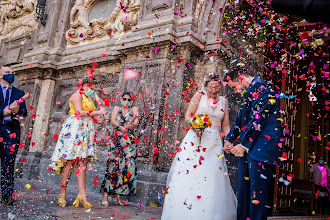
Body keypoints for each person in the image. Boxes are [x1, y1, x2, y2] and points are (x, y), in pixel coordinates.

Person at [161, 73, 237, 220]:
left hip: (214, 144)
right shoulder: (199, 95)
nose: (214, 90)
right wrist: (195, 125)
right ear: (206, 85)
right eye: (211, 87)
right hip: (196, 140)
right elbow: (188, 116)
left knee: (213, 178)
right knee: (190, 176)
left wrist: (228, 140)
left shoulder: (224, 101)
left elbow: (225, 125)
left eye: (217, 87)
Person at [224, 66, 286, 220]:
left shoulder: (262, 86)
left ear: (241, 79)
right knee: (244, 190)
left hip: (261, 148)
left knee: (257, 195)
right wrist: (229, 138)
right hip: (249, 149)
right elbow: (241, 120)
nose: (236, 91)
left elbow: (259, 117)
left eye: (235, 87)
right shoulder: (250, 90)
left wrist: (243, 144)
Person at [49, 77, 106, 208]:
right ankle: (62, 193)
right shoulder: (76, 95)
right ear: (85, 85)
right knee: (70, 161)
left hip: (86, 129)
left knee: (83, 162)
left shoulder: (89, 98)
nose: (93, 90)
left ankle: (82, 195)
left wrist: (98, 119)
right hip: (75, 128)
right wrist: (98, 112)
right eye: (92, 88)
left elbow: (90, 115)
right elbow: (79, 112)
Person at [100, 92, 139, 206]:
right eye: (124, 99)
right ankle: (106, 193)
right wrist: (120, 127)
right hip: (117, 139)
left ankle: (117, 193)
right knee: (113, 165)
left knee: (127, 167)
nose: (126, 101)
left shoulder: (134, 109)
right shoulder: (117, 108)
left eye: (129, 99)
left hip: (129, 141)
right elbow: (112, 121)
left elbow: (136, 120)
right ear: (121, 99)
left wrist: (130, 126)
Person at [0, 66, 27, 205]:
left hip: (11, 133)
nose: (11, 74)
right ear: (0, 75)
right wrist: (3, 112)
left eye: (12, 73)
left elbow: (24, 112)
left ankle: (7, 196)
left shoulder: (19, 92)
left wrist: (16, 112)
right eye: (7, 73)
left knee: (8, 165)